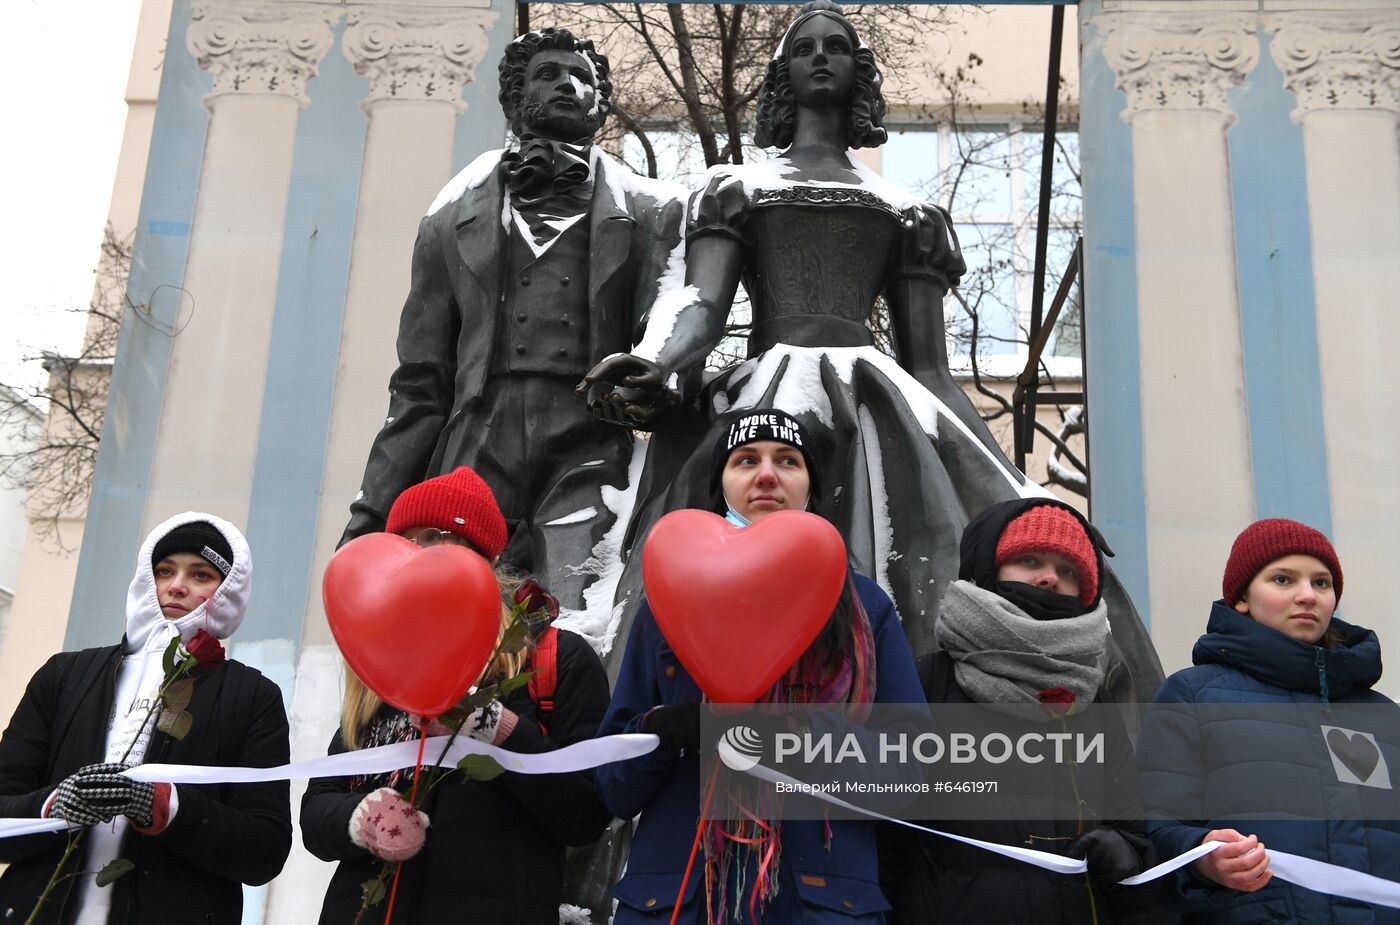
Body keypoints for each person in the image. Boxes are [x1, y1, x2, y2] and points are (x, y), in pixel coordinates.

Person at [579, 0, 1162, 705]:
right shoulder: (737, 192)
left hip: (880, 397)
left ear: (859, 70)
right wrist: (658, 360)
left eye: (838, 46)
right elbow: (702, 306)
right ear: (783, 75)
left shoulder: (906, 213)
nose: (821, 56)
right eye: (804, 48)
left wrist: (1018, 485)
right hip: (767, 399)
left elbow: (931, 373)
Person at [341, 27, 686, 617]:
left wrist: (655, 386)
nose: (567, 85)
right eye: (546, 74)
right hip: (478, 442)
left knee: (577, 611)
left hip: (589, 442)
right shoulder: (449, 221)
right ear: (513, 99)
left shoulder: (655, 212)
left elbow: (673, 340)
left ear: (600, 102)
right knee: (456, 614)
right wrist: (372, 512)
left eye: (582, 78)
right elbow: (421, 383)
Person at [595, 409, 925, 923]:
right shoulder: (667, 600)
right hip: (680, 900)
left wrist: (789, 737)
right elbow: (614, 785)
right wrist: (666, 732)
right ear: (721, 485)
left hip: (815, 903)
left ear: (812, 488)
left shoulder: (864, 608)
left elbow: (911, 772)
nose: (766, 474)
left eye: (787, 461)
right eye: (746, 460)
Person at [304, 467, 612, 924]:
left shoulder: (553, 658)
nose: (416, 555)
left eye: (434, 537)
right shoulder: (381, 670)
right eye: (405, 542)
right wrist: (359, 819)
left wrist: (500, 731)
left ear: (480, 556)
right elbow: (317, 809)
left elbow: (586, 814)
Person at [0, 513, 291, 924]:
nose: (176, 585)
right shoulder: (63, 675)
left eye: (201, 574)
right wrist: (51, 807)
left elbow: (265, 851)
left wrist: (167, 806)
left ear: (227, 590)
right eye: (164, 570)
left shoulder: (253, 696)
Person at [884, 498, 1160, 924]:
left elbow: (1134, 830)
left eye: (1069, 571)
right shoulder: (929, 683)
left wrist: (1126, 853)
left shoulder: (1094, 700)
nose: (1049, 578)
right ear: (989, 571)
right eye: (1029, 559)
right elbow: (884, 834)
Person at [1137, 518, 1400, 923]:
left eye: (1322, 583)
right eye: (1282, 579)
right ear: (1242, 598)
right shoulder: (1193, 696)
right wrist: (1204, 857)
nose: (1307, 595)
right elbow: (1152, 826)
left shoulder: (1383, 715)